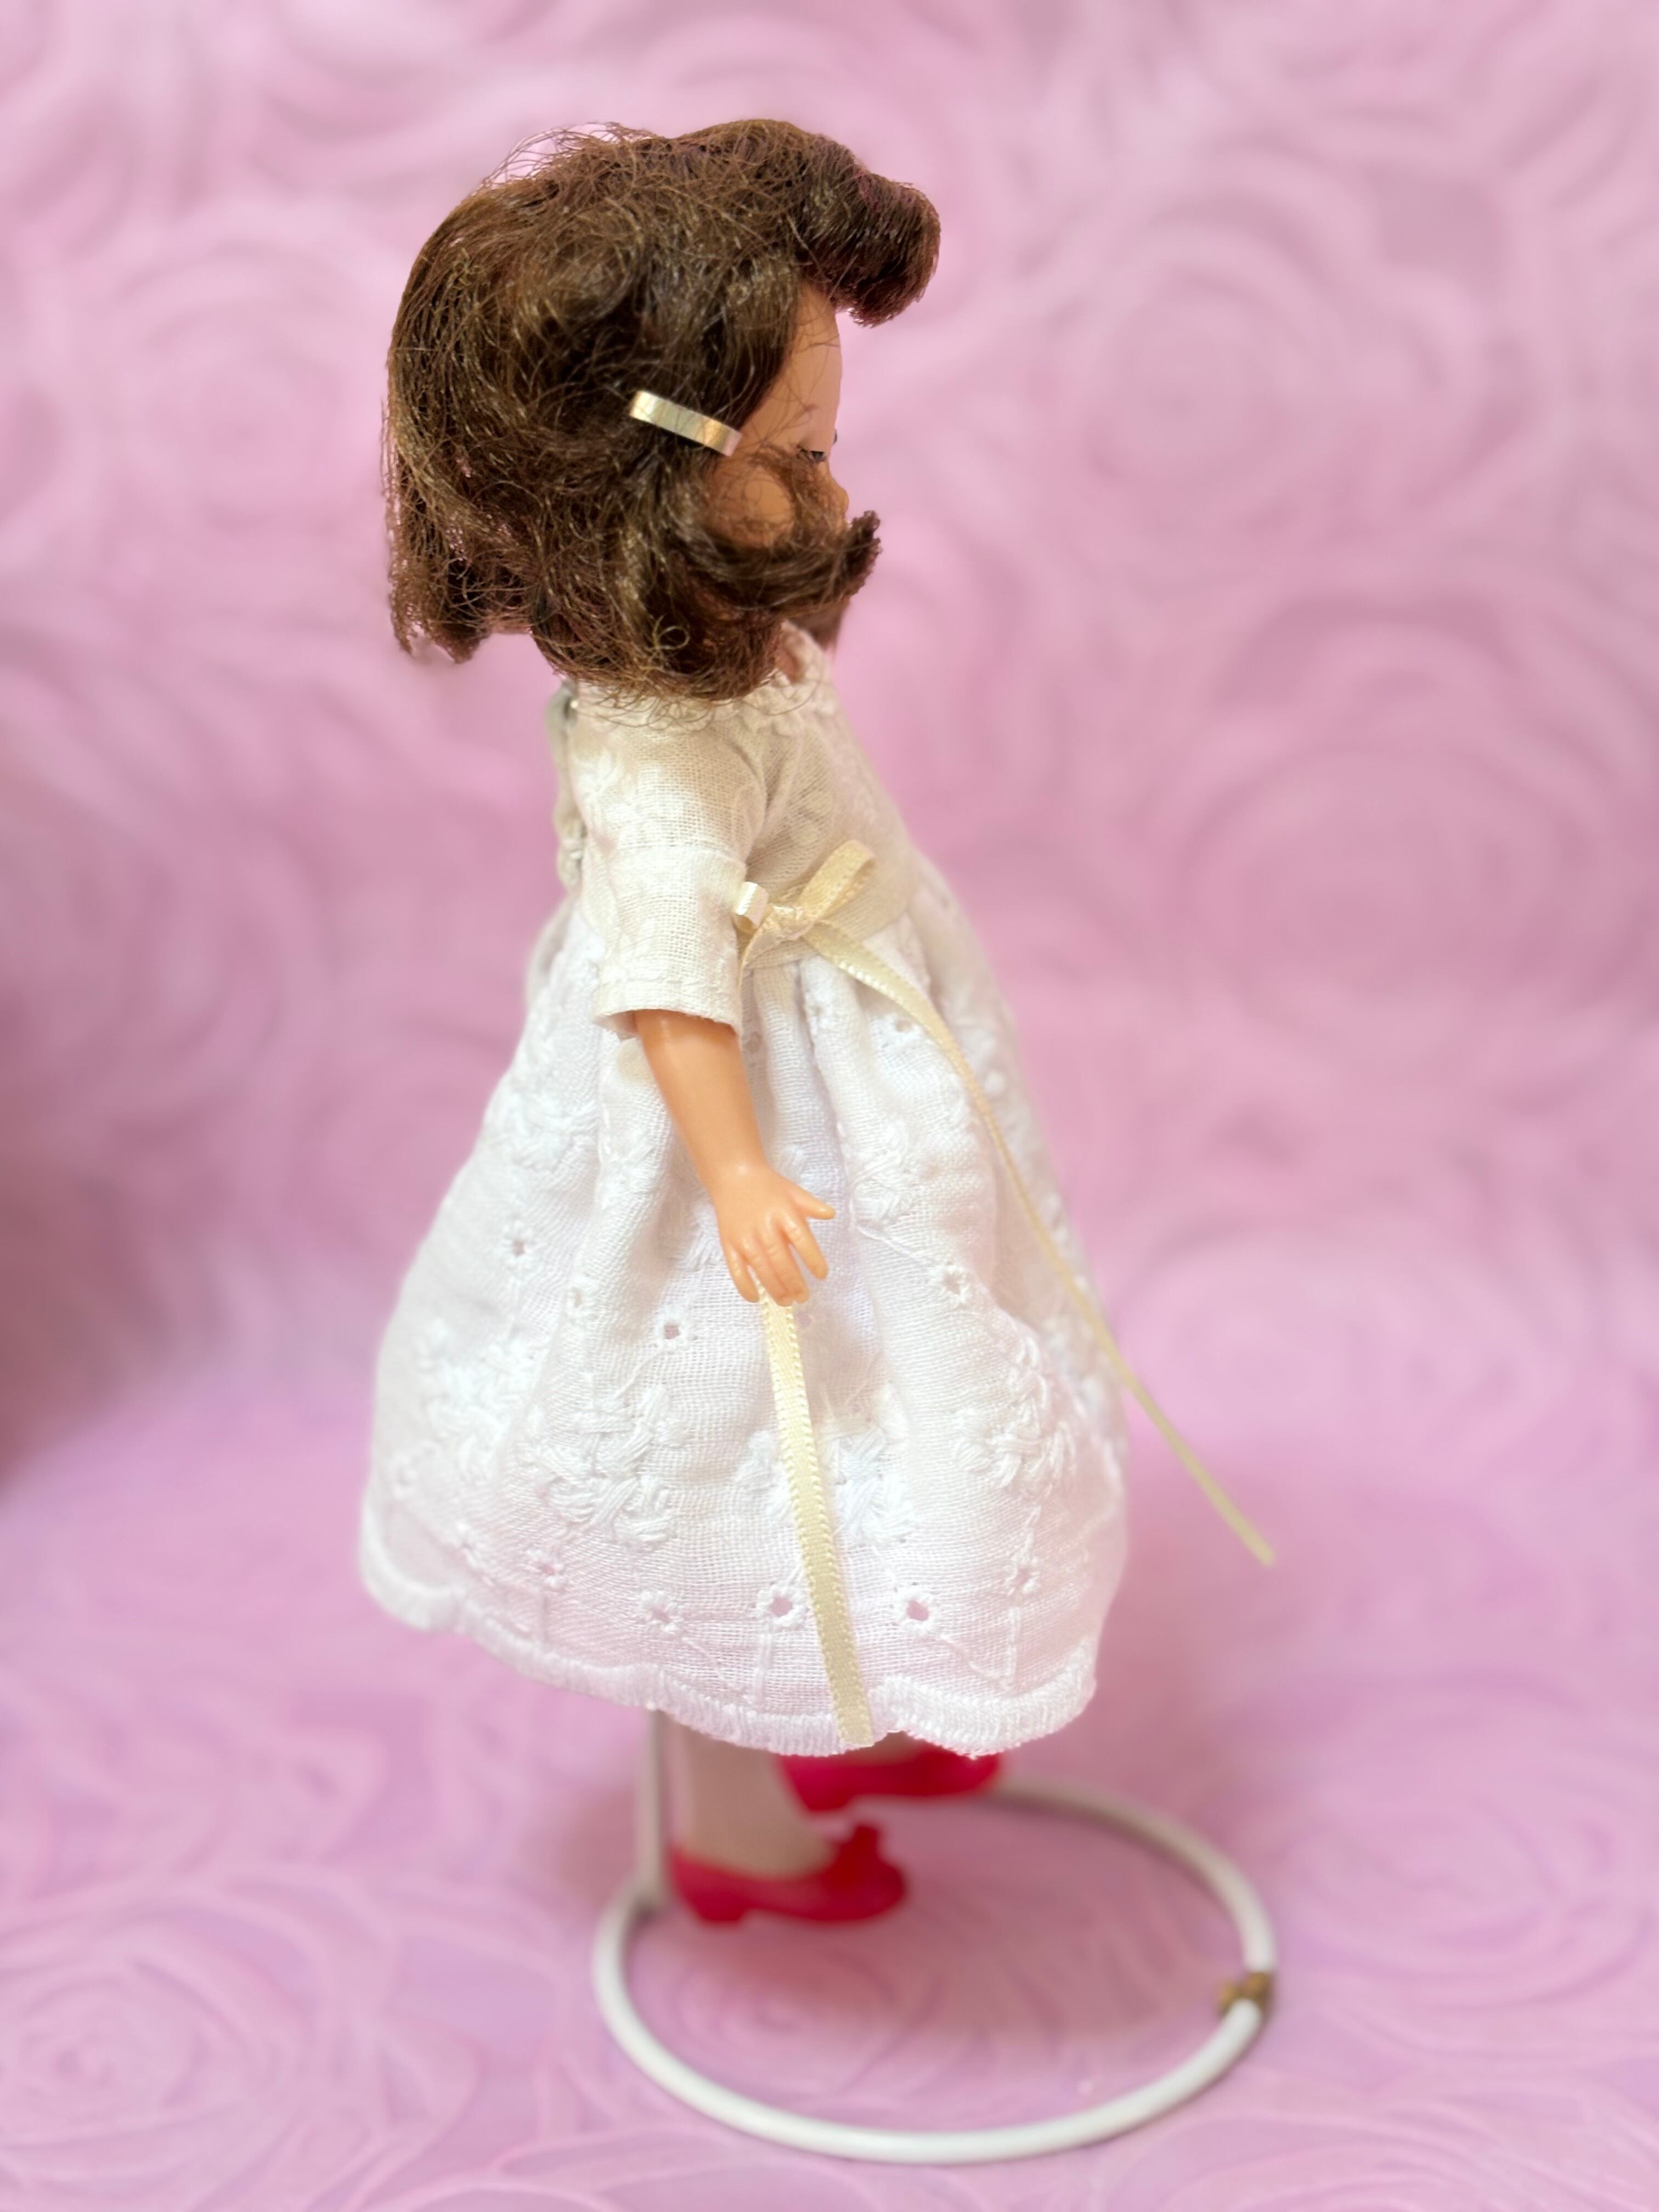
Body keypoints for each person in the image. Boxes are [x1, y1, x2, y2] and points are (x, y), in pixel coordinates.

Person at [358, 120, 1245, 1926]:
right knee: (742, 1450)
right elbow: (663, 976)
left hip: (861, 1061)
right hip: (744, 1116)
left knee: (896, 1390)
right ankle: (733, 1827)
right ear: (649, 484)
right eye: (796, 455)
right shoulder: (656, 751)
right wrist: (742, 1174)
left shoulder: (736, 656)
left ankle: (884, 1666)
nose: (833, 487)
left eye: (824, 443)